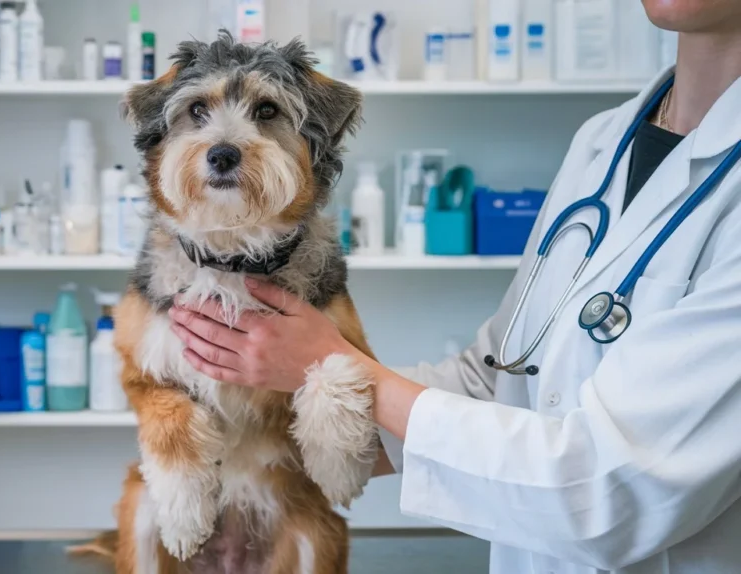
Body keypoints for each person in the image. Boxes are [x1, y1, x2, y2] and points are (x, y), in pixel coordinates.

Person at [166, 1, 741, 572]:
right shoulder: (603, 141)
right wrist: (254, 420)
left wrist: (337, 369)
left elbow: (608, 491)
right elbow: (496, 379)